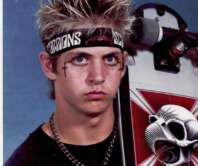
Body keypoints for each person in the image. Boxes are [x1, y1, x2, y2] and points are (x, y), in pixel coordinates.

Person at [6, 0, 132, 165]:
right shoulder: (26, 161)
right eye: (80, 59)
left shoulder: (156, 138)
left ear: (123, 65)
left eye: (110, 59)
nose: (98, 76)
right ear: (49, 66)